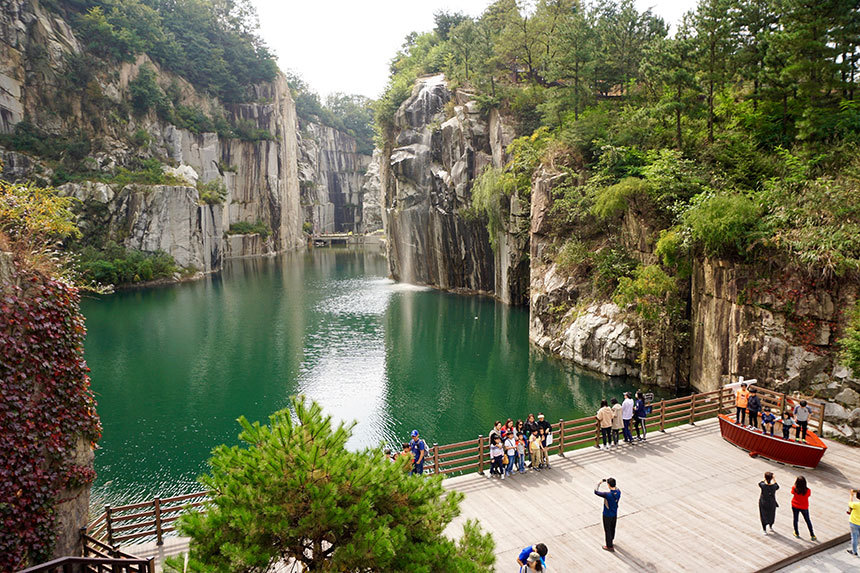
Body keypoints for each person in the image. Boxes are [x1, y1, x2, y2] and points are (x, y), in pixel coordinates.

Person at [594, 477, 621, 551]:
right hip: (614, 513)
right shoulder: (618, 492)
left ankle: (609, 546)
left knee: (607, 530)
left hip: (607, 515)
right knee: (612, 528)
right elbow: (615, 488)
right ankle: (611, 539)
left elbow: (596, 492)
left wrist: (598, 483)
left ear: (608, 485)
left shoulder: (607, 495)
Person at [791, 475, 816, 541]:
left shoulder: (794, 488)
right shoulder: (807, 490)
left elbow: (792, 493)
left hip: (795, 505)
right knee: (807, 520)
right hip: (804, 506)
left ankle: (796, 532)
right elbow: (808, 495)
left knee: (795, 519)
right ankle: (812, 534)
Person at [848, 488, 860, 556]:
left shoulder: (855, 505)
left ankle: (854, 551)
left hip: (854, 523)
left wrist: (851, 495)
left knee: (854, 537)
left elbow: (850, 503)